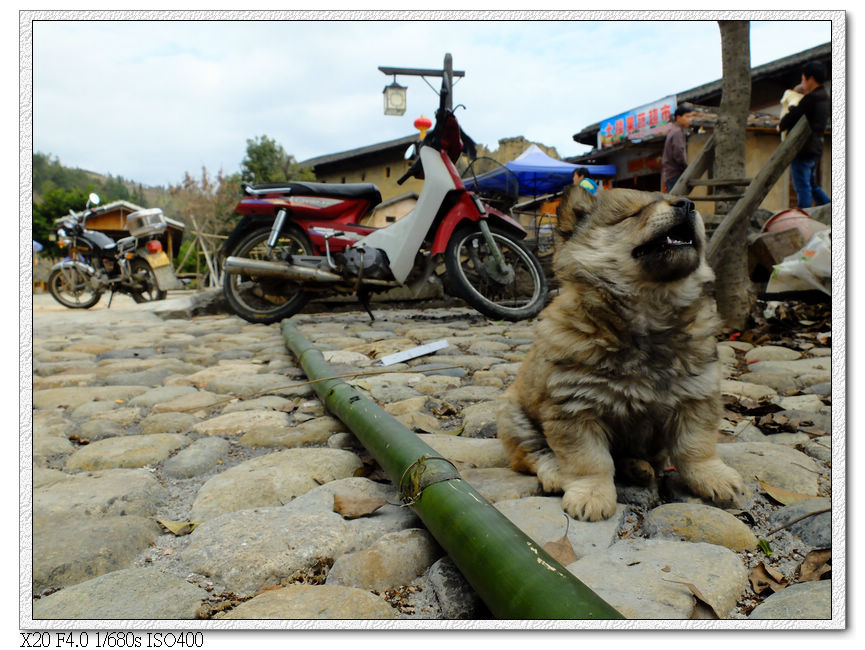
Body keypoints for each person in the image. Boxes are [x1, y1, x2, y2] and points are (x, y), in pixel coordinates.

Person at [778, 61, 830, 208]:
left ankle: (804, 217)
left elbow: (794, 115)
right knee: (812, 185)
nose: (802, 83)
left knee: (802, 186)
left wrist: (781, 126)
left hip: (803, 148)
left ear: (810, 79)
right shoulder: (824, 96)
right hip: (816, 147)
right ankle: (829, 209)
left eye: (803, 79)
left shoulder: (811, 98)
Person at [661, 105, 693, 193]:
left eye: (690, 117)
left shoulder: (674, 131)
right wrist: (687, 169)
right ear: (678, 117)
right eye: (687, 116)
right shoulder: (677, 132)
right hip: (675, 175)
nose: (690, 119)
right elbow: (679, 154)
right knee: (677, 203)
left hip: (670, 175)